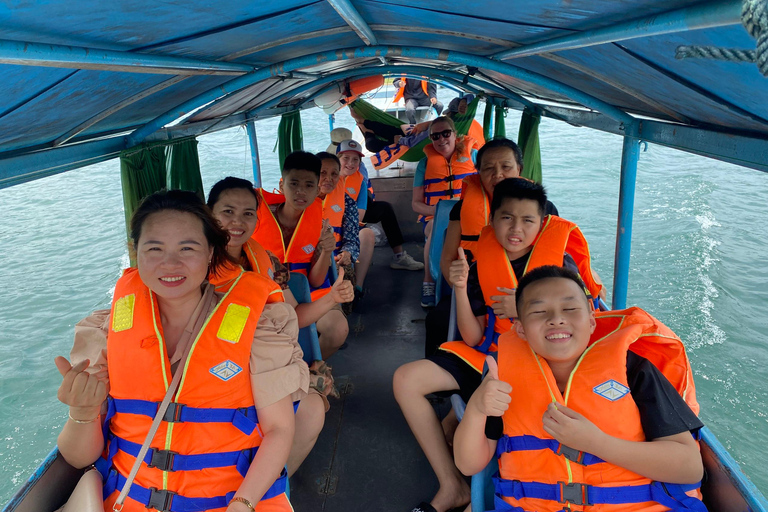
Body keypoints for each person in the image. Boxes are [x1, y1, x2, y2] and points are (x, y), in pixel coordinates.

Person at [54, 190, 308, 512]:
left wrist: (243, 504)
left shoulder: (258, 328)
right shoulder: (107, 332)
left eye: (187, 248)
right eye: (154, 248)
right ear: (136, 253)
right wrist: (82, 412)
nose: (170, 263)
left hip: (230, 502)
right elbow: (79, 457)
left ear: (211, 252)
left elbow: (279, 430)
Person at [392, 178, 601, 512]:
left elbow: (579, 327)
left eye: (528, 220)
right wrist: (460, 287)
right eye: (507, 218)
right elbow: (473, 337)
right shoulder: (481, 264)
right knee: (406, 379)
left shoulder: (561, 267)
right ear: (493, 220)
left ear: (542, 223)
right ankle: (452, 485)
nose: (516, 228)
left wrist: (524, 310)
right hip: (488, 358)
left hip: (543, 365)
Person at [454, 266, 706, 512]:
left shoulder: (635, 370)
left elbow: (689, 467)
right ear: (520, 329)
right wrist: (476, 408)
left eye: (570, 308)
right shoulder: (502, 378)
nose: (556, 319)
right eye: (539, 311)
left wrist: (597, 443)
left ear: (592, 320)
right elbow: (468, 465)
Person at [207, 176, 354, 476]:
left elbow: (293, 315)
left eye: (248, 213)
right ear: (209, 214)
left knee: (313, 410)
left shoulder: (265, 260)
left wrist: (332, 299)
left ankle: (272, 486)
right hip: (218, 369)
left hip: (263, 365)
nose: (238, 221)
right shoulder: (196, 262)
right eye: (227, 212)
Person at [425, 139, 557, 357]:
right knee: (437, 319)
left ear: (519, 169)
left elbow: (558, 256)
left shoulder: (543, 209)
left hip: (532, 292)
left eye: (506, 167)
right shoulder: (462, 209)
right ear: (478, 173)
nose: (498, 174)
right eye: (488, 168)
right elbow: (447, 259)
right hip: (474, 288)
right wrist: (466, 291)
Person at [251, 151, 349, 359]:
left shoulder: (319, 224)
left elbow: (316, 279)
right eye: (294, 184)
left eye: (308, 186)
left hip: (307, 293)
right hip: (265, 294)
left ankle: (307, 371)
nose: (300, 192)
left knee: (338, 330)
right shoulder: (255, 216)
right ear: (282, 183)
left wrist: (328, 250)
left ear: (316, 190)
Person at [334, 138, 423, 302]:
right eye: (345, 158)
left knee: (382, 212)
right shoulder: (328, 178)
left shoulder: (359, 178)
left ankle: (358, 287)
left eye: (355, 160)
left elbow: (359, 213)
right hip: (330, 224)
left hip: (350, 221)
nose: (350, 163)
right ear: (337, 158)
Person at [412, 116, 478, 307]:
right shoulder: (424, 165)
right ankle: (429, 281)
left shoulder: (473, 157)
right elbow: (416, 204)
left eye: (445, 134)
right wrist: (439, 211)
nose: (441, 140)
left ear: (455, 135)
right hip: (434, 217)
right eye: (435, 136)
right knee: (435, 227)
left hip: (467, 215)